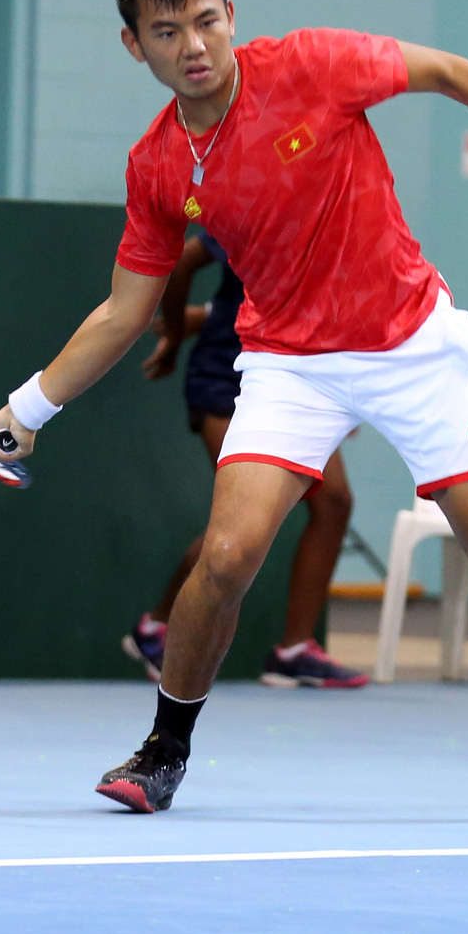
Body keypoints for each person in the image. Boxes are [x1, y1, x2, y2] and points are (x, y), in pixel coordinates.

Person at [0, 0, 468, 826]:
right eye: (167, 31)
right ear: (136, 45)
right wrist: (26, 410)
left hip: (410, 342)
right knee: (225, 555)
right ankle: (164, 751)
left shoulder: (311, 65)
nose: (195, 45)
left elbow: (440, 68)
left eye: (207, 20)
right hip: (292, 364)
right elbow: (124, 311)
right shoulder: (158, 166)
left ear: (232, 16)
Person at [127, 231, 367, 690]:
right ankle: (157, 626)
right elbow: (182, 264)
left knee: (333, 501)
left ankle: (294, 651)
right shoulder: (261, 195)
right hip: (228, 377)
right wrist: (177, 332)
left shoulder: (345, 212)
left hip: (302, 377)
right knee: (248, 515)